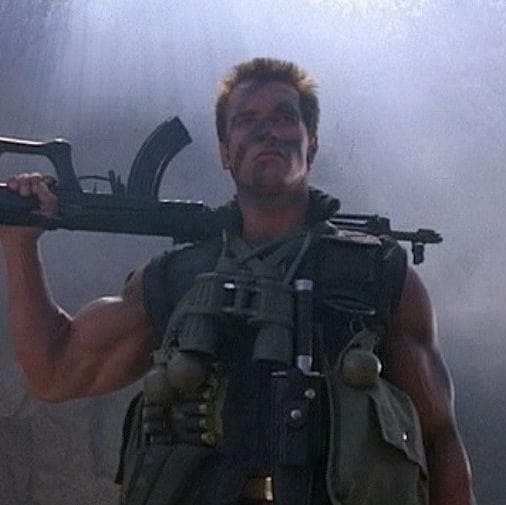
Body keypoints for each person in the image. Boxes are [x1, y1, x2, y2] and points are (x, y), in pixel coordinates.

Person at [0, 58, 474, 505]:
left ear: (311, 143)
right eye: (247, 120)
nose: (267, 130)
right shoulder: (178, 279)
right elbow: (54, 371)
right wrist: (20, 243)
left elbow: (439, 438)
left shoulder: (377, 275)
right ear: (225, 152)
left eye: (284, 116)